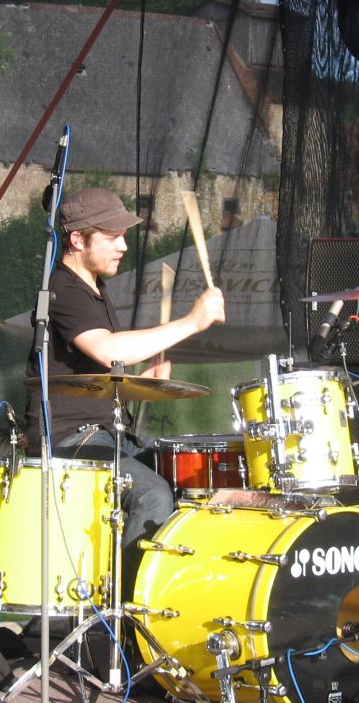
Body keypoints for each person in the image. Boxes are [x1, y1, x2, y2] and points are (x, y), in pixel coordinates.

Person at [24, 187, 225, 582]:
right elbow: (107, 349)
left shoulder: (93, 289)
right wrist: (191, 322)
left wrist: (139, 381)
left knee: (187, 477)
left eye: (124, 236)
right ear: (77, 239)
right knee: (153, 494)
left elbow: (94, 370)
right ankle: (127, 605)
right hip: (67, 439)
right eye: (112, 237)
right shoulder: (62, 290)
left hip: (103, 434)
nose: (123, 246)